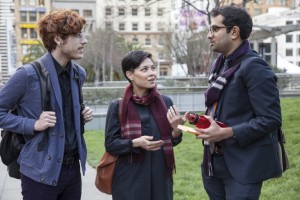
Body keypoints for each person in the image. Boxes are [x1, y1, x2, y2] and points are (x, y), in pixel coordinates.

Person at [0, 9, 93, 200]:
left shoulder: (79, 74)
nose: (84, 41)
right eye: (77, 35)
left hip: (72, 170)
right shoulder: (27, 75)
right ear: (58, 39)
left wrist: (81, 113)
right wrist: (32, 124)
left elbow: (66, 112)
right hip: (39, 172)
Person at [194, 5, 282, 200]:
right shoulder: (220, 65)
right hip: (213, 164)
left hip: (243, 166)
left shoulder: (254, 67)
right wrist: (202, 123)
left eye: (215, 29)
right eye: (210, 29)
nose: (210, 35)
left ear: (234, 32)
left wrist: (226, 132)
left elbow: (271, 119)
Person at [104, 50, 185, 200]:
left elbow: (173, 140)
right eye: (144, 69)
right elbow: (111, 144)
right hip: (130, 181)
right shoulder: (118, 106)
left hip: (161, 178)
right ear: (130, 75)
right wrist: (135, 143)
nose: (152, 73)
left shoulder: (165, 102)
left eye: (153, 68)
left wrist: (176, 130)